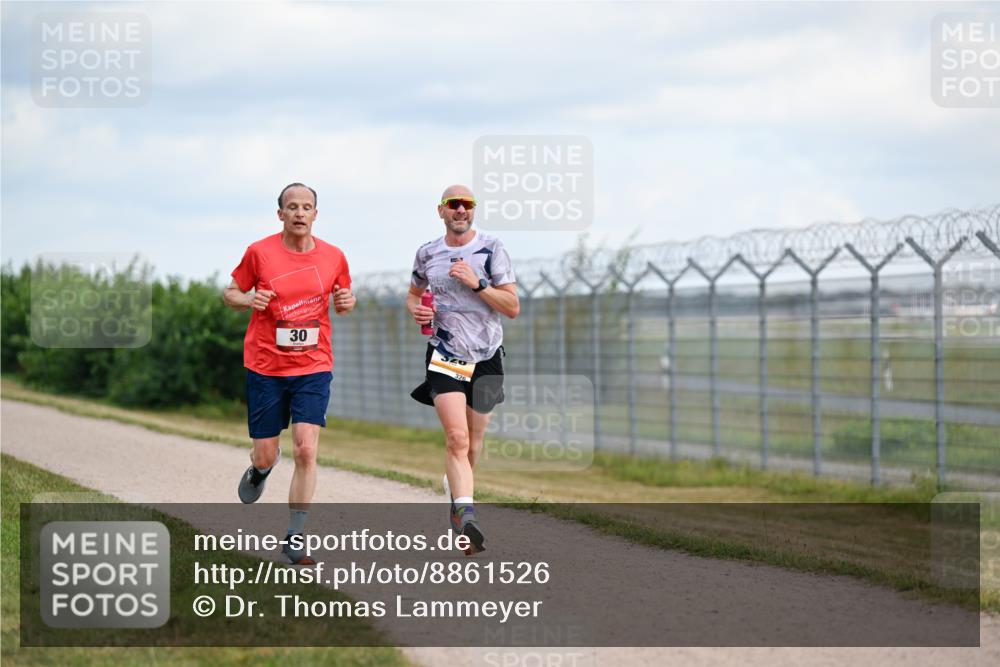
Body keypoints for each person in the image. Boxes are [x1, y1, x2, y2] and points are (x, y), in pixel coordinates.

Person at [223, 182, 356, 565]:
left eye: (307, 207)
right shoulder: (259, 252)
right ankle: (262, 467)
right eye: (292, 207)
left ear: (316, 214)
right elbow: (230, 293)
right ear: (280, 214)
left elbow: (344, 299)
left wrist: (348, 300)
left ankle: (295, 536)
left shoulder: (334, 256)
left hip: (313, 365)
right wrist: (248, 298)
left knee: (306, 448)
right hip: (266, 366)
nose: (300, 213)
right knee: (266, 452)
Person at [407, 184, 519, 554]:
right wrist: (417, 309)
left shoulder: (491, 249)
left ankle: (458, 500)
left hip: (486, 355)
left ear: (473, 210)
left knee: (473, 442)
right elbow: (413, 293)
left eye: (466, 205)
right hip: (445, 352)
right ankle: (468, 516)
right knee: (456, 439)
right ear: (441, 211)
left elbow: (512, 306)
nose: (460, 210)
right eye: (453, 205)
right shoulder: (427, 253)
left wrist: (478, 283)